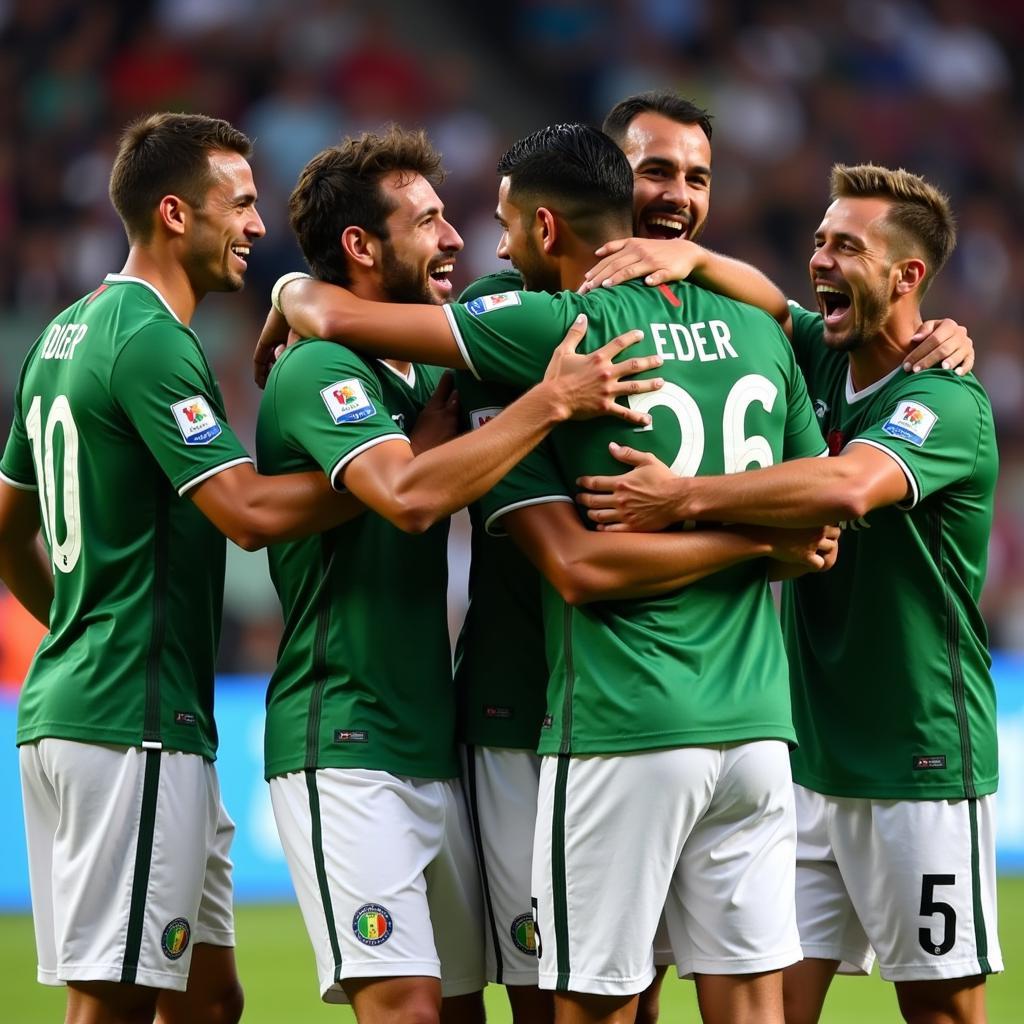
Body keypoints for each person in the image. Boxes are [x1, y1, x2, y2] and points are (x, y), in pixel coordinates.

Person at [261, 122, 840, 1024]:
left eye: (494, 220)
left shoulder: (540, 328)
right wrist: (749, 533)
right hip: (729, 723)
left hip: (610, 718)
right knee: (731, 999)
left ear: (545, 225)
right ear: (621, 190)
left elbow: (571, 560)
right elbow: (820, 501)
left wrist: (293, 288)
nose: (474, 240)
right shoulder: (756, 329)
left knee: (584, 997)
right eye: (658, 173)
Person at [254, 125, 669, 1024]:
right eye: (431, 221)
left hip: (434, 740)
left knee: (467, 1005)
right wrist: (548, 401)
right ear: (361, 247)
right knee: (403, 1006)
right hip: (345, 737)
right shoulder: (320, 368)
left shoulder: (418, 379)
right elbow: (405, 496)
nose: (455, 239)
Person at [576, 163, 1003, 1024]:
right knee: (772, 1009)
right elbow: (771, 304)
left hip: (918, 759)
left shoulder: (944, 403)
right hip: (808, 762)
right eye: (818, 239)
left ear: (906, 276)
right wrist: (690, 261)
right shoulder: (817, 354)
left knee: (943, 1012)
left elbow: (847, 486)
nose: (820, 259)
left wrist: (684, 497)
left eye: (846, 246)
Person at [0, 111, 378, 1024]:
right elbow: (247, 514)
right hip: (127, 724)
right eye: (239, 203)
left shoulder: (67, 332)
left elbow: (8, 528)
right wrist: (386, 475)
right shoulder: (152, 342)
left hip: (116, 707)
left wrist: (81, 626)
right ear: (176, 213)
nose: (257, 224)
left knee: (209, 1002)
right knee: (115, 1003)